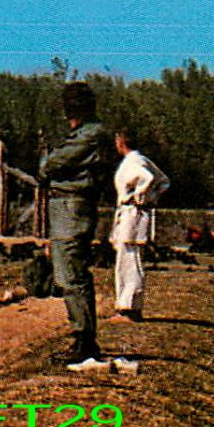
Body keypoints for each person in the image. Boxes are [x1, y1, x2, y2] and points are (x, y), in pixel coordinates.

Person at [39, 81, 115, 367]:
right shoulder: (88, 133)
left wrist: (47, 161)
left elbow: (49, 165)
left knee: (71, 274)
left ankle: (84, 341)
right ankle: (82, 338)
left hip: (72, 208)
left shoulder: (89, 135)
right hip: (67, 207)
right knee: (69, 274)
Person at [109, 129, 170, 322]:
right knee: (128, 258)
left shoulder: (133, 163)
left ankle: (129, 307)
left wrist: (139, 196)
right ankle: (127, 304)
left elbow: (148, 178)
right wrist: (151, 197)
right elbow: (163, 182)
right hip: (132, 213)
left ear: (121, 142)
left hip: (132, 213)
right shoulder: (142, 160)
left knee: (129, 259)